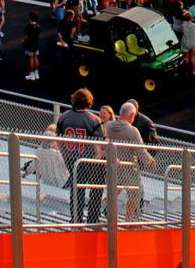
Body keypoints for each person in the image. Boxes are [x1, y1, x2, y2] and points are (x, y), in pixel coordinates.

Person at [103, 102, 157, 221]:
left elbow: (102, 142)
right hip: (128, 166)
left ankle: (110, 213)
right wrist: (150, 161)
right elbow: (141, 151)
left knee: (115, 189)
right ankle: (128, 219)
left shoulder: (107, 126)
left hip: (112, 165)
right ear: (132, 115)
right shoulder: (132, 130)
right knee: (136, 191)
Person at [57, 88, 104, 223]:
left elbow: (59, 139)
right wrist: (98, 157)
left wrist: (65, 156)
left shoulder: (64, 116)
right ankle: (93, 218)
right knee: (96, 188)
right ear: (89, 102)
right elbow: (100, 142)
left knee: (76, 189)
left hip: (72, 158)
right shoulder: (93, 119)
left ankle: (76, 218)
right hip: (89, 159)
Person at [23, 10, 41, 81]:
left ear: (30, 18)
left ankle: (31, 74)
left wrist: (23, 41)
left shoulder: (28, 27)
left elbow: (26, 37)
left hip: (29, 45)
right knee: (35, 58)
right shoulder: (38, 27)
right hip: (36, 44)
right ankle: (36, 73)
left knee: (31, 59)